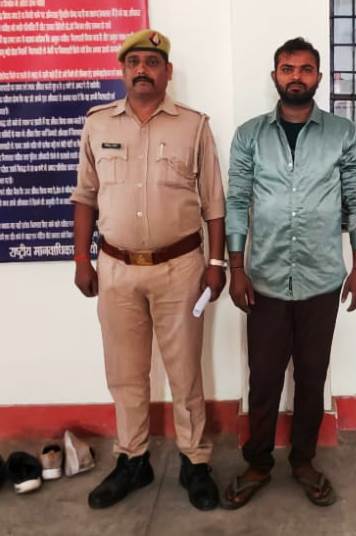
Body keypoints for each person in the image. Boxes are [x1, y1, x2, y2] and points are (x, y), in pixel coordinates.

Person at [71, 29, 226, 511]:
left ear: (167, 72)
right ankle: (133, 459)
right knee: (125, 373)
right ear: (123, 71)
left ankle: (194, 460)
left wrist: (216, 262)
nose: (142, 70)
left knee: (185, 372)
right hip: (116, 269)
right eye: (134, 62)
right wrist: (81, 259)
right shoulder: (97, 124)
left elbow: (214, 203)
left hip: (180, 268)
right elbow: (85, 197)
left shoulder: (193, 126)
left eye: (152, 62)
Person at [222, 37, 356, 509]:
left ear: (318, 78)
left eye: (306, 69)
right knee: (264, 378)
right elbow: (237, 201)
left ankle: (304, 460)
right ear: (275, 76)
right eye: (288, 69)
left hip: (321, 280)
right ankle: (258, 463)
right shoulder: (249, 135)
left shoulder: (342, 133)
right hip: (263, 279)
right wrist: (236, 268)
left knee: (311, 376)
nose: (296, 77)